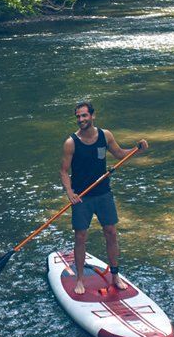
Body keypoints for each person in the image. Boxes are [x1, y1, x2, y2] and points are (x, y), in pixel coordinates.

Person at [60, 102, 148, 295]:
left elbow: (119, 154)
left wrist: (136, 150)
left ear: (93, 116)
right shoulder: (71, 143)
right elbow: (64, 171)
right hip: (82, 197)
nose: (81, 120)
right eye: (78, 117)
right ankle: (80, 279)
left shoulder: (105, 136)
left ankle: (115, 275)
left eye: (84, 116)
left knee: (111, 232)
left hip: (103, 194)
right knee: (80, 237)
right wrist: (69, 193)